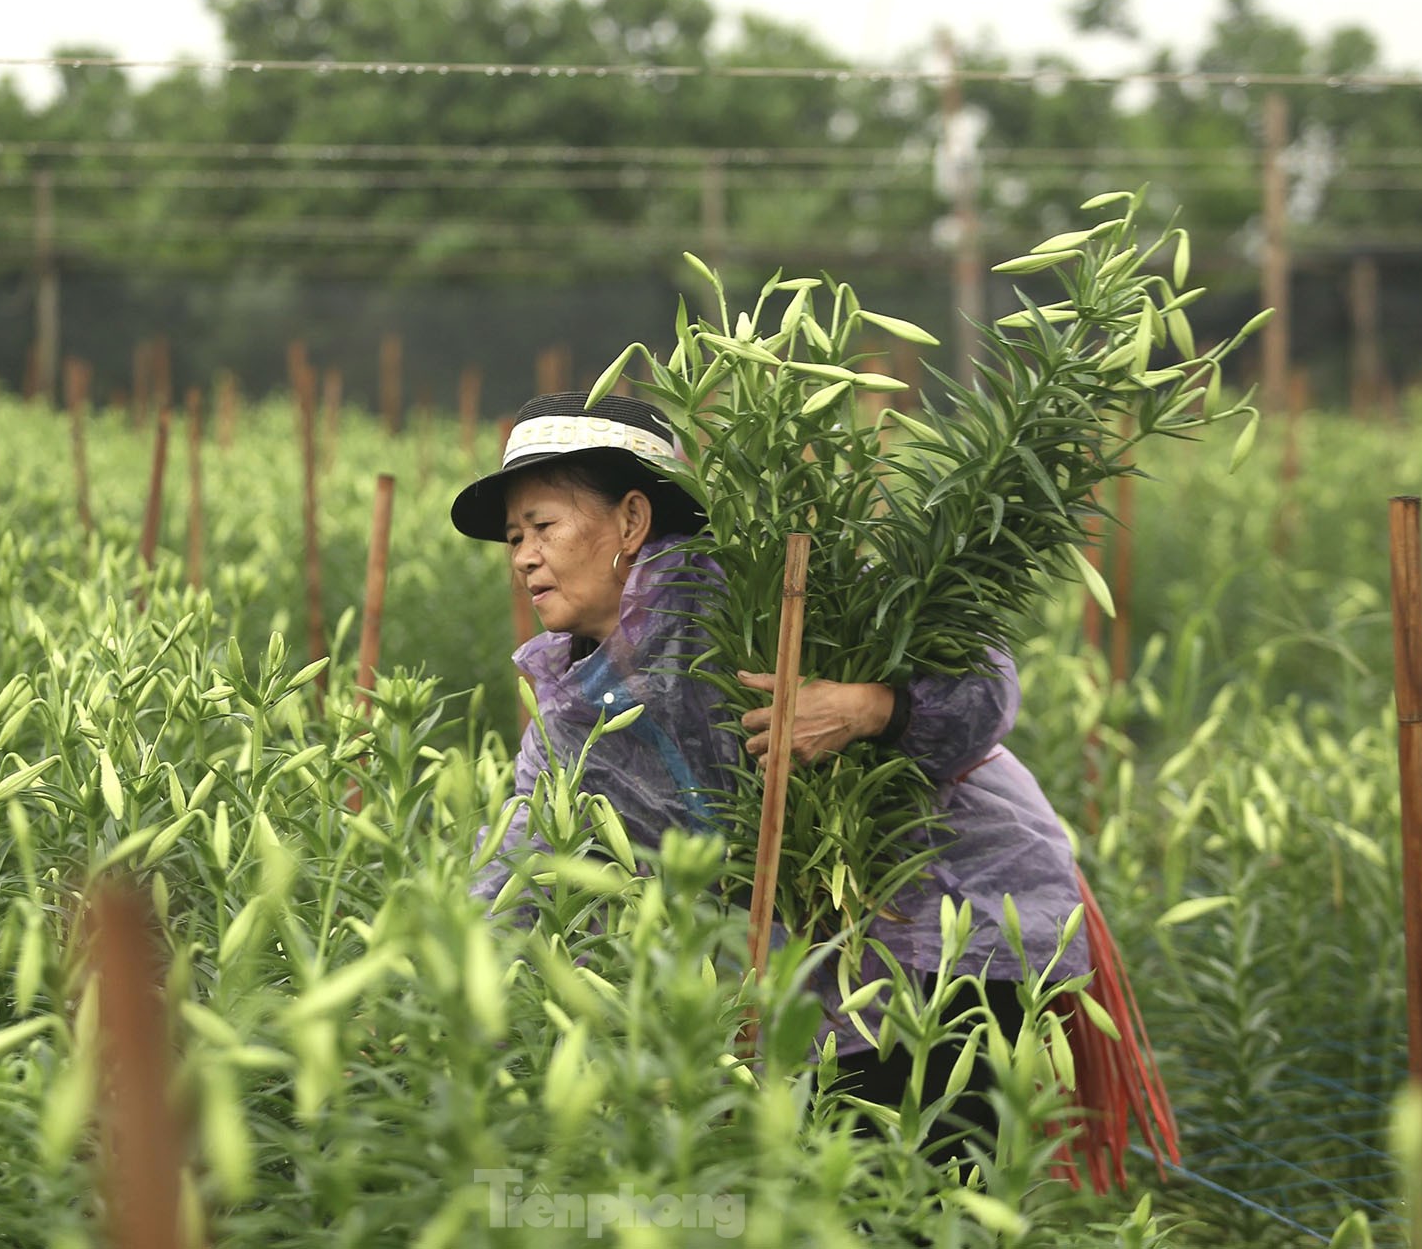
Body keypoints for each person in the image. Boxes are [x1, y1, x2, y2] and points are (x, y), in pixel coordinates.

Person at [452, 392, 1161, 1178]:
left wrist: (866, 707)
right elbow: (519, 863)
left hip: (946, 926)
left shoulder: (767, 590)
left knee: (924, 1199)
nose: (521, 555)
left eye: (542, 526)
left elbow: (983, 684)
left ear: (629, 519)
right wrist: (441, 1001)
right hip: (810, 975)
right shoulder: (575, 701)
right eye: (514, 536)